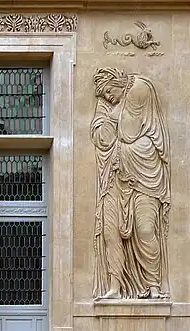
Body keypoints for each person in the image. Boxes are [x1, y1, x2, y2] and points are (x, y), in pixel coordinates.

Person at [91, 68, 170, 300]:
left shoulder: (140, 88)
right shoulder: (110, 102)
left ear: (118, 82)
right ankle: (115, 287)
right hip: (114, 177)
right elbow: (102, 138)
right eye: (104, 96)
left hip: (145, 178)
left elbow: (129, 132)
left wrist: (113, 114)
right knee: (109, 232)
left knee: (146, 230)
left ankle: (154, 286)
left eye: (108, 92)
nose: (107, 98)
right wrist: (111, 111)